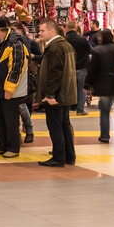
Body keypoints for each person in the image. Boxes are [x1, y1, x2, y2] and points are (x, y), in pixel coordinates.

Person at [35, 19, 77, 167]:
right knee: (64, 125)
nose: (39, 33)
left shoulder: (54, 47)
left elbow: (55, 73)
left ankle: (58, 157)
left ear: (51, 31)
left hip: (57, 95)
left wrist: (50, 95)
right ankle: (69, 156)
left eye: (42, 30)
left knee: (55, 126)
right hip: (65, 93)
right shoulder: (66, 45)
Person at [0, 18, 29, 159]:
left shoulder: (15, 43)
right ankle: (2, 144)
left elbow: (16, 67)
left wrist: (9, 89)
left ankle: (13, 147)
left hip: (8, 91)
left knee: (10, 120)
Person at [87, 30, 114, 149]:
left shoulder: (97, 50)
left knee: (105, 111)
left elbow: (93, 70)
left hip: (103, 86)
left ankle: (105, 136)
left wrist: (88, 84)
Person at [65, 21, 91, 116]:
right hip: (82, 68)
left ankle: (67, 110)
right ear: (76, 28)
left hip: (69, 68)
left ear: (67, 28)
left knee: (68, 89)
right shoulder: (82, 39)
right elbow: (90, 51)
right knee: (81, 89)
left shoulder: (64, 40)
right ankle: (80, 110)